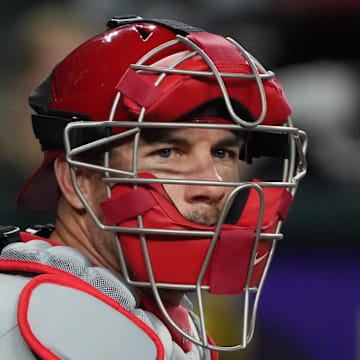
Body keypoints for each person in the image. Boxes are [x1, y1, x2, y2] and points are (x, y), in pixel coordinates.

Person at [0, 15, 308, 359]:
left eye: (223, 152)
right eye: (167, 152)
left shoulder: (172, 329)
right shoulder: (8, 317)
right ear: (79, 181)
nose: (212, 186)